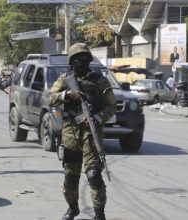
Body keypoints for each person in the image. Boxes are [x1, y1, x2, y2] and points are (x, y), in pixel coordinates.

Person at [49, 43, 116, 220]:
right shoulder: (64, 79)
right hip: (70, 132)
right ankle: (73, 208)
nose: (81, 61)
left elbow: (111, 106)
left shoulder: (99, 80)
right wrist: (67, 95)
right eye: (77, 59)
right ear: (71, 62)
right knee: (70, 177)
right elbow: (50, 98)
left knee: (94, 175)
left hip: (91, 133)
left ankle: (99, 214)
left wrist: (97, 118)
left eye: (85, 58)